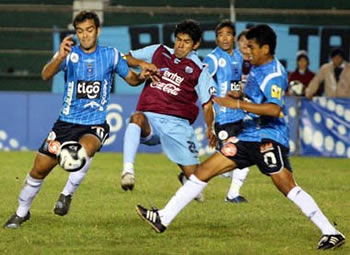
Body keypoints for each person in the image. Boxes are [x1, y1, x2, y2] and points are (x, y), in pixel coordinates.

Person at [135, 24, 346, 250]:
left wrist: (237, 103)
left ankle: (331, 232)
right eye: (246, 47)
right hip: (247, 136)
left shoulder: (274, 73)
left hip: (267, 138)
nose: (247, 52)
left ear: (265, 49)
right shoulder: (256, 67)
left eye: (252, 47)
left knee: (287, 186)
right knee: (203, 171)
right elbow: (256, 96)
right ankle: (163, 218)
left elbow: (274, 109)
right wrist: (242, 93)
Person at [3, 11, 152, 229]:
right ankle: (21, 213)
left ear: (97, 31)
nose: (85, 36)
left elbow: (131, 80)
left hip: (95, 123)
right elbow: (45, 75)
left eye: (89, 30)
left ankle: (66, 194)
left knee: (85, 149)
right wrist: (60, 57)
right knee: (38, 170)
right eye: (80, 31)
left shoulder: (110, 55)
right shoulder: (69, 53)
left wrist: (142, 77)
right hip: (66, 123)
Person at [120, 19, 216, 202]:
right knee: (136, 118)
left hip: (177, 126)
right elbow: (125, 58)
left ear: (196, 45)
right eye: (178, 39)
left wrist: (210, 128)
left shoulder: (199, 70)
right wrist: (142, 64)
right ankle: (127, 172)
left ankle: (186, 177)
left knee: (197, 181)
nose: (180, 45)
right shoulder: (159, 51)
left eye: (186, 42)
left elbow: (207, 104)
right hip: (150, 119)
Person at [202, 20, 249, 203]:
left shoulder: (239, 56)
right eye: (220, 34)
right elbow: (202, 82)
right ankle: (192, 177)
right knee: (232, 158)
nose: (224, 38)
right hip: (223, 116)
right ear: (216, 38)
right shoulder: (212, 59)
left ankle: (232, 194)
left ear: (233, 37)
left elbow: (239, 82)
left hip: (240, 115)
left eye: (228, 34)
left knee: (243, 155)